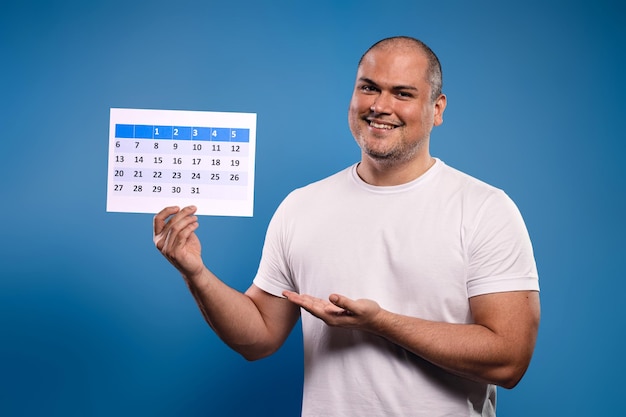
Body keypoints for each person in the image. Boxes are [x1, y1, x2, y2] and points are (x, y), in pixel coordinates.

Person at [153, 36, 540, 416]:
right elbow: (259, 337)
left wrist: (381, 324)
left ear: (436, 109)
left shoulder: (484, 209)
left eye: (402, 93)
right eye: (368, 88)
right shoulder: (301, 206)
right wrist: (196, 273)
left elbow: (509, 360)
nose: (380, 106)